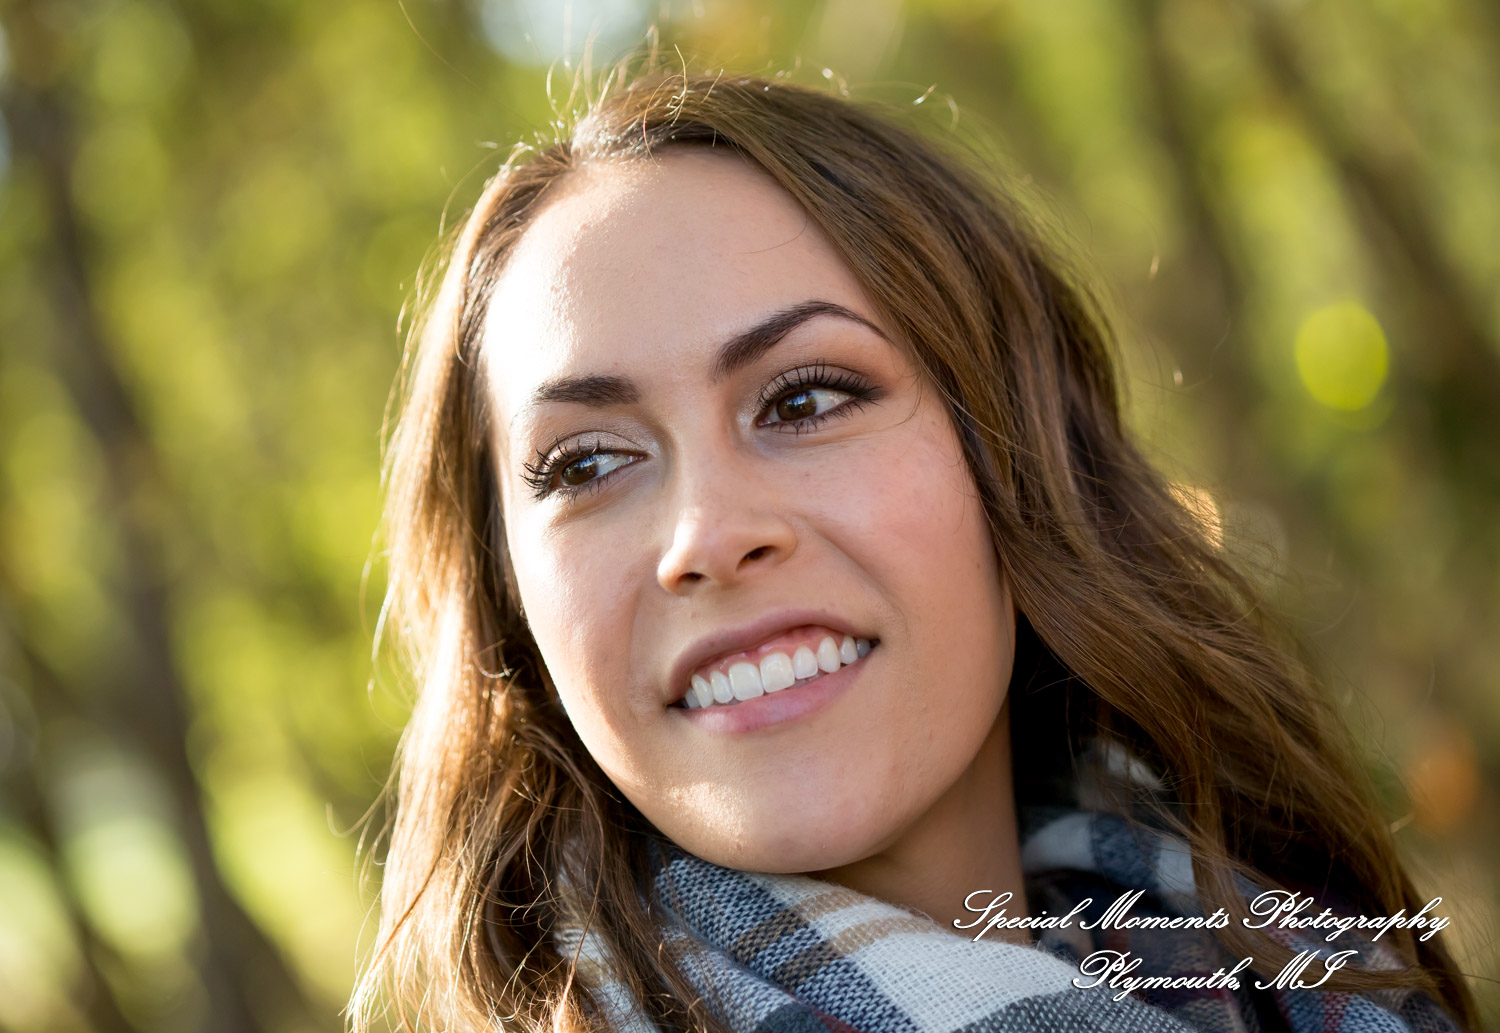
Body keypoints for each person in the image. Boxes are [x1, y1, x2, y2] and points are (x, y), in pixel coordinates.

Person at [348, 49, 1477, 1033]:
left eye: (806, 400)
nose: (707, 534)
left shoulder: (1319, 968)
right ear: (512, 604)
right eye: (587, 463)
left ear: (1019, 464)